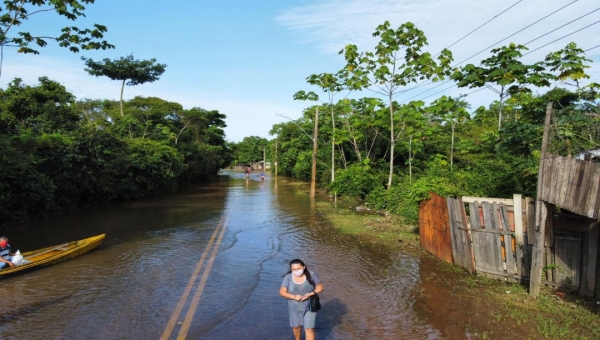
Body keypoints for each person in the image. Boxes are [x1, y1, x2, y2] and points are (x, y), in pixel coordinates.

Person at [279, 259, 324, 340]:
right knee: (296, 327)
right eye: (294, 269)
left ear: (303, 267)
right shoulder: (288, 277)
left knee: (309, 329)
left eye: (298, 268)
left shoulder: (311, 275)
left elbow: (320, 288)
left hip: (309, 306)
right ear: (291, 269)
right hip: (294, 307)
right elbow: (282, 292)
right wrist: (294, 297)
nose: (297, 271)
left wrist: (311, 293)